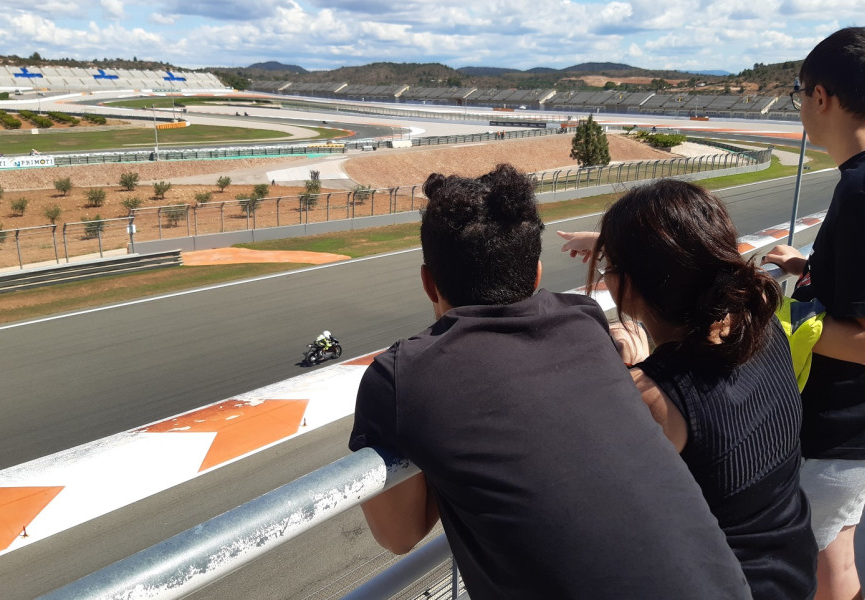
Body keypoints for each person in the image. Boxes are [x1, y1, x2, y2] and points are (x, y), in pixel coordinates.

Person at [349, 164, 753, 599]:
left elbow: (399, 535)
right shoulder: (585, 320)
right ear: (537, 273)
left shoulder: (398, 376)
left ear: (429, 283)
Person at [560, 179, 818, 599]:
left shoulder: (652, 396)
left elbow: (586, 520)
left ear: (625, 284)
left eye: (609, 265)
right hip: (794, 566)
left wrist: (634, 368)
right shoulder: (760, 320)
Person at [763, 27, 865, 600]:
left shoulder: (859, 191)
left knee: (822, 572)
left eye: (799, 92)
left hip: (837, 426)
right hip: (848, 427)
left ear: (820, 96)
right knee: (834, 565)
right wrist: (809, 263)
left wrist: (776, 320)